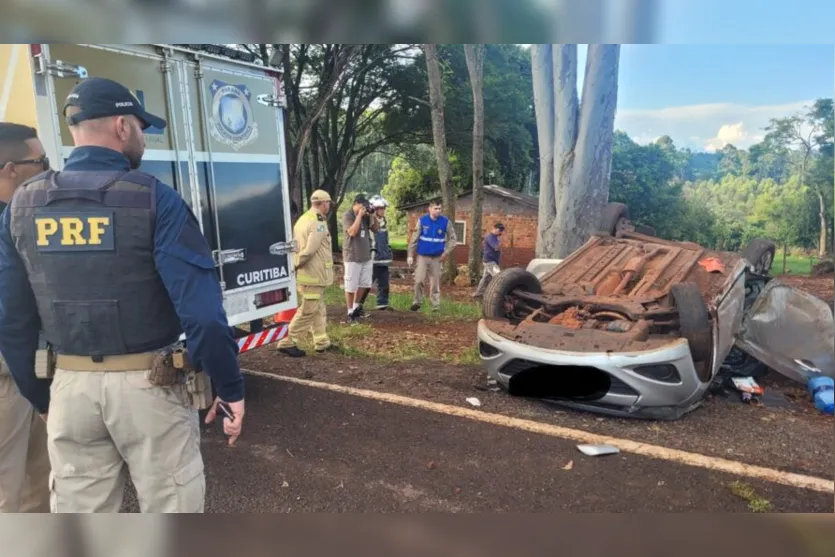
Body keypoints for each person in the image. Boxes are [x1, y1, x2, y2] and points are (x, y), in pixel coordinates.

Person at [0, 77, 245, 513]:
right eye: (138, 125)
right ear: (120, 126)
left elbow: (12, 318)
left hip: (69, 387)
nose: (141, 137)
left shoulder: (21, 207)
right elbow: (203, 314)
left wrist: (40, 396)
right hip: (151, 385)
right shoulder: (156, 200)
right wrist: (229, 387)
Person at [0, 122, 51, 513]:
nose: (49, 171)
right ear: (8, 168)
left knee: (41, 479)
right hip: (6, 373)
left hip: (28, 370)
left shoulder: (19, 215)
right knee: (6, 488)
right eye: (41, 162)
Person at [276, 189, 336, 357]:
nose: (329, 206)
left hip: (309, 275)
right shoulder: (317, 223)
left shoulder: (303, 219)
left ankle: (321, 341)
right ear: (323, 203)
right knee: (308, 310)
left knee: (318, 308)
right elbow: (309, 251)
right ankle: (288, 341)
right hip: (313, 275)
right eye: (328, 203)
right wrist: (294, 264)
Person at [407, 200, 457, 312]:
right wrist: (410, 254)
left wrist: (446, 252)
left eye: (439, 208)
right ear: (430, 209)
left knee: (435, 283)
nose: (438, 210)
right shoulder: (422, 221)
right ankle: (417, 303)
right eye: (435, 208)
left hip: (437, 257)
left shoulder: (446, 222)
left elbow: (453, 239)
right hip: (422, 256)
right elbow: (414, 238)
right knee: (419, 280)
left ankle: (435, 306)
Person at [341, 193, 378, 322]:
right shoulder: (348, 215)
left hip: (365, 256)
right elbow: (352, 232)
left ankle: (356, 307)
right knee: (351, 286)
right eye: (362, 206)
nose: (364, 209)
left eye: (365, 207)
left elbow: (376, 229)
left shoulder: (366, 217)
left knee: (365, 284)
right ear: (355, 204)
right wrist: (359, 216)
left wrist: (373, 215)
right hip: (353, 256)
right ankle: (350, 311)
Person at [358, 195, 393, 311]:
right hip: (372, 257)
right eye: (380, 208)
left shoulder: (384, 221)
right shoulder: (368, 221)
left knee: (384, 283)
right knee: (367, 283)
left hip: (383, 258)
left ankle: (382, 304)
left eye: (383, 208)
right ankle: (358, 304)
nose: (383, 210)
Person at [472, 222, 506, 299]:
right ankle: (500, 295)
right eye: (499, 230)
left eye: (501, 231)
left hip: (490, 261)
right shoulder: (490, 237)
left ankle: (478, 293)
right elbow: (496, 247)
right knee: (499, 276)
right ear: (495, 228)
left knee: (485, 278)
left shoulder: (495, 237)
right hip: (490, 261)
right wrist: (500, 242)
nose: (500, 232)